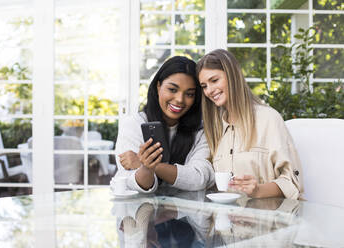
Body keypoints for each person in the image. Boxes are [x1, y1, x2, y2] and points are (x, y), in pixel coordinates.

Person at [196, 49, 303, 199]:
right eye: (204, 86)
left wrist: (258, 190)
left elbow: (293, 181)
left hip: (265, 218)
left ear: (232, 76)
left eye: (214, 80)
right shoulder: (215, 129)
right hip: (225, 219)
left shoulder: (269, 119)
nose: (209, 91)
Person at [114, 56, 214, 193]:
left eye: (189, 94)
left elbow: (199, 178)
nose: (179, 99)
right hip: (142, 210)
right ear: (158, 85)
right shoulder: (134, 125)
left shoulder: (201, 130)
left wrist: (146, 164)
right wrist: (147, 168)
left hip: (187, 210)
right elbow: (131, 182)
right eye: (172, 90)